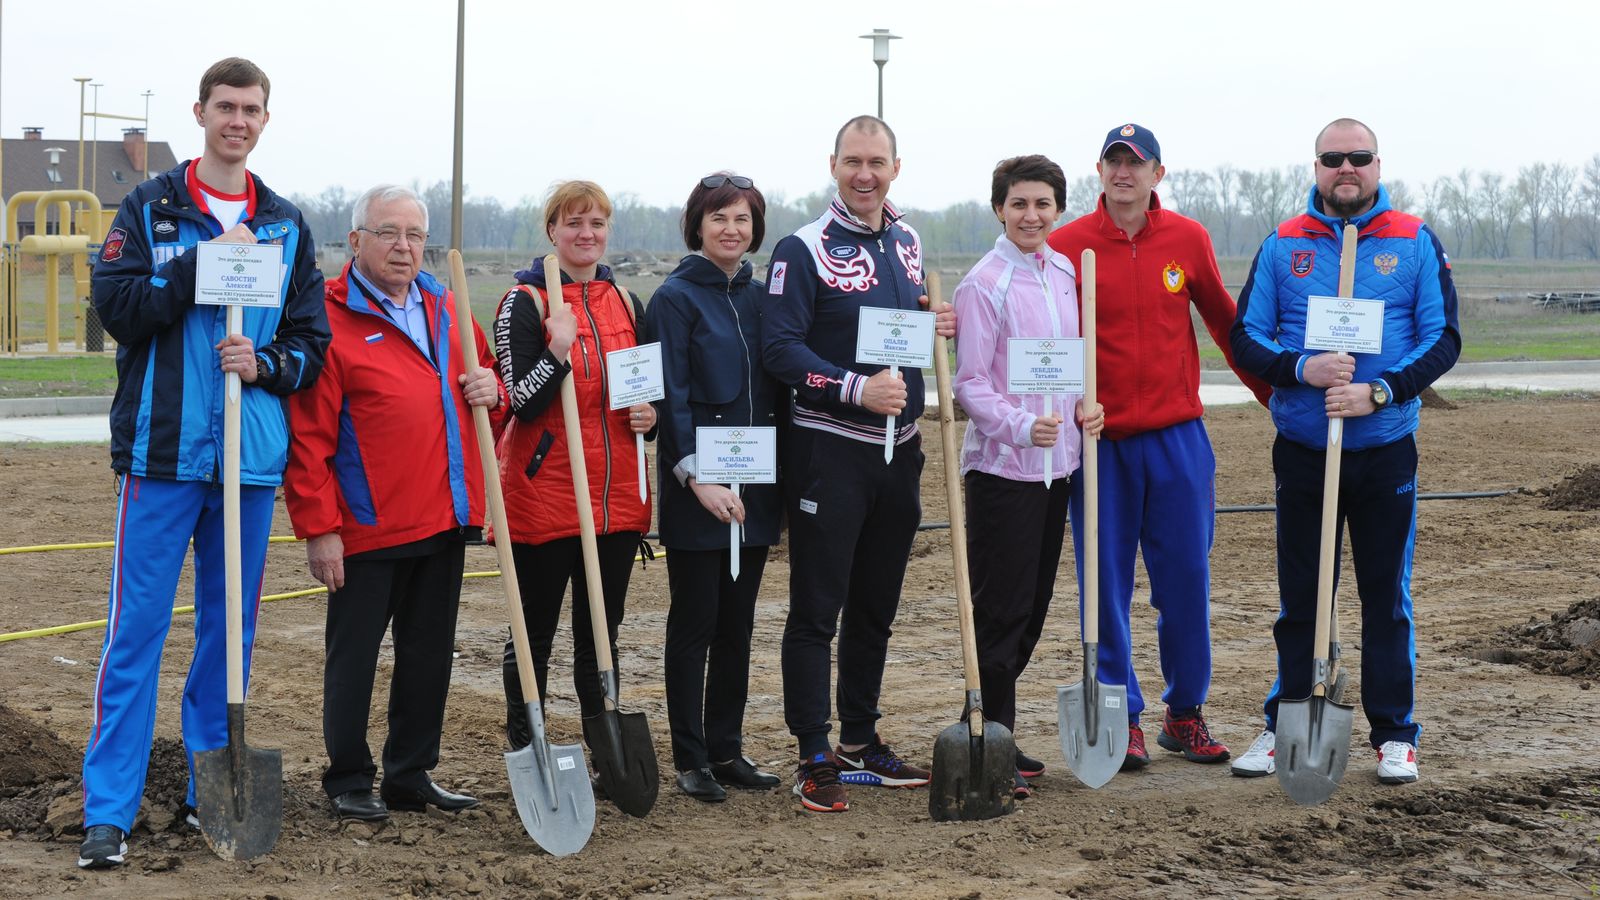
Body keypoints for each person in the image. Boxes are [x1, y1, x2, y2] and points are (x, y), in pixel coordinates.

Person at [80, 57, 330, 869]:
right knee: (136, 633)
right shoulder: (150, 208)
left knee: (230, 634)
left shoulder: (286, 224)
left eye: (251, 109)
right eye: (226, 106)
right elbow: (117, 310)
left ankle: (207, 791)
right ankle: (108, 811)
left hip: (246, 463)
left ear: (265, 120)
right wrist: (200, 266)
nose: (238, 120)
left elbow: (311, 344)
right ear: (200, 113)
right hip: (163, 454)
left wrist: (266, 364)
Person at [1228, 118, 1461, 785]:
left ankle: (1395, 734)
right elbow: (1247, 337)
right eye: (1333, 158)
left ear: (1377, 165)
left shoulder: (1414, 240)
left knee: (1386, 597)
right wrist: (1303, 370)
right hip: (1305, 448)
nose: (1346, 168)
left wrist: (1380, 392)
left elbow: (1443, 338)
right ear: (1317, 168)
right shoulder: (1283, 245)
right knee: (1302, 597)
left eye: (1359, 156)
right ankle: (1285, 721)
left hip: (1385, 449)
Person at [1047, 124, 1271, 771]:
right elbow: (1042, 337)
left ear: (1157, 174)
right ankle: (1122, 714)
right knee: (1104, 584)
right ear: (1099, 170)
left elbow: (1227, 325)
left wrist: (1274, 397)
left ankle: (1185, 712)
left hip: (1178, 439)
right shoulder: (1066, 246)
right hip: (1102, 443)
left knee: (1186, 579)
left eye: (1136, 163)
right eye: (1114, 162)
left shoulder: (1188, 239)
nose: (1124, 173)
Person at [284, 185, 502, 821]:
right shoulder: (328, 318)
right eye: (388, 233)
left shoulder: (447, 308)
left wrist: (492, 388)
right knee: (353, 658)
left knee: (428, 656)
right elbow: (309, 439)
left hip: (444, 513)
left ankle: (411, 773)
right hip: (367, 524)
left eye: (414, 235)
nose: (403, 247)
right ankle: (349, 777)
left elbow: (487, 388)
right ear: (356, 241)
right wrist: (320, 529)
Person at [761, 115, 955, 813]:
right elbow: (780, 349)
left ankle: (859, 738)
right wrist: (854, 389)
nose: (864, 174)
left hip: (899, 454)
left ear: (896, 167)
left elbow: (897, 332)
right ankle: (813, 752)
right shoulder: (802, 247)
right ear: (833, 164)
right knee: (818, 609)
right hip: (829, 451)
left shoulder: (908, 241)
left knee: (876, 607)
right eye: (853, 161)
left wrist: (936, 323)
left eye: (877, 162)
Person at [952, 155, 1104, 799]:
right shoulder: (983, 284)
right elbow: (969, 384)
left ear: (1058, 209)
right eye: (1019, 204)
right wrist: (1019, 426)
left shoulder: (1065, 272)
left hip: (1058, 469)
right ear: (999, 209)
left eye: (1043, 204)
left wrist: (1084, 408)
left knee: (1034, 610)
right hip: (1004, 472)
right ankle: (988, 741)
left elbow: (1067, 369)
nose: (1031, 215)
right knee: (1002, 612)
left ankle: (997, 734)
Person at [493, 181, 655, 760]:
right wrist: (556, 350)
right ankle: (528, 745)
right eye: (574, 223)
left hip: (616, 499)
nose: (587, 234)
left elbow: (644, 398)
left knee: (601, 635)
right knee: (533, 633)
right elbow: (519, 402)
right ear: (552, 231)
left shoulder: (626, 302)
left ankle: (605, 749)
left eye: (597, 224)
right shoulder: (524, 302)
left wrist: (651, 416)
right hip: (545, 496)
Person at [645, 173, 785, 802]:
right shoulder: (674, 299)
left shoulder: (762, 299)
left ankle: (727, 749)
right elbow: (669, 395)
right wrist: (696, 477)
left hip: (754, 487)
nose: (732, 229)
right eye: (719, 218)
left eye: (743, 219)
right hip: (697, 489)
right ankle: (691, 756)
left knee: (738, 627)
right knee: (695, 624)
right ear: (697, 226)